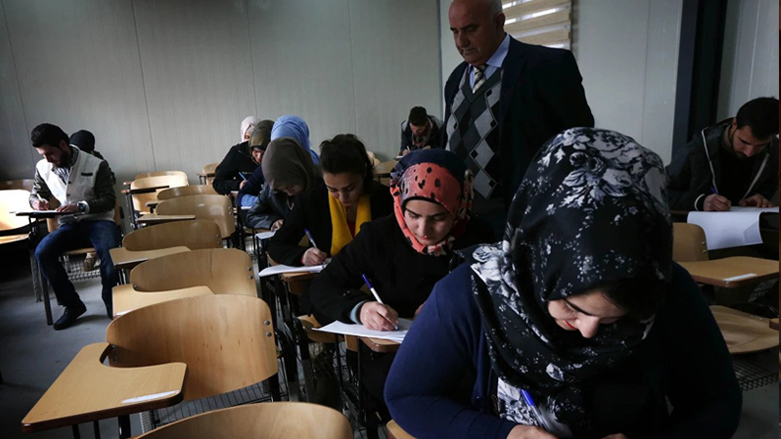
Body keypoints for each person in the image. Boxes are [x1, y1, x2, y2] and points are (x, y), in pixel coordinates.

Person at [385, 128, 742, 439]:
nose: (588, 331)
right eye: (572, 306)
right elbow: (407, 396)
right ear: (536, 262)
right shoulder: (473, 292)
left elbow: (718, 401)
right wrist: (503, 434)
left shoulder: (664, 288)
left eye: (614, 319)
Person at [309, 148, 493, 419]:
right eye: (413, 215)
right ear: (400, 203)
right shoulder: (378, 236)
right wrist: (361, 309)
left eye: (438, 218)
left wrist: (451, 308)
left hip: (466, 357)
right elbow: (322, 288)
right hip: (392, 356)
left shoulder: (482, 239)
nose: (422, 230)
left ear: (460, 205)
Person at [443, 0, 593, 236]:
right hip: (460, 221)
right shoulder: (455, 79)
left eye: (471, 29)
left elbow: (580, 145)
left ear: (499, 22)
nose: (461, 42)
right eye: (455, 31)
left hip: (521, 222)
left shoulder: (547, 67)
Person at [29, 123, 121, 330]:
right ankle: (72, 305)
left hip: (99, 221)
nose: (47, 159)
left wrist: (81, 206)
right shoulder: (42, 167)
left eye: (50, 153)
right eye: (42, 154)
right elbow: (36, 193)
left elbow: (108, 200)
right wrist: (36, 202)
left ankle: (111, 300)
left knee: (110, 250)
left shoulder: (96, 164)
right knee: (43, 252)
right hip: (69, 225)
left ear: (63, 144)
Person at [268, 134, 392, 266]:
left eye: (350, 188)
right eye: (333, 190)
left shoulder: (385, 199)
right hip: (330, 281)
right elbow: (277, 245)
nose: (342, 197)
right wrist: (303, 255)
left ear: (364, 173)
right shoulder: (311, 201)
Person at [666, 96, 779, 212]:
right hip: (695, 226)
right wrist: (700, 201)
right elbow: (658, 194)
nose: (749, 152)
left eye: (760, 146)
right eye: (743, 142)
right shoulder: (697, 149)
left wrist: (759, 197)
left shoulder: (774, 151)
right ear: (734, 124)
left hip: (743, 226)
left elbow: (768, 187)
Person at [238, 115, 319, 206]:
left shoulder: (318, 171)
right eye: (256, 151)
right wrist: (270, 210)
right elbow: (244, 197)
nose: (259, 157)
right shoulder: (271, 168)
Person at [244, 137, 320, 230]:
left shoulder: (322, 184)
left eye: (290, 186)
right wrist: (272, 221)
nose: (289, 193)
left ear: (300, 171)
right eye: (281, 190)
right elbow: (251, 216)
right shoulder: (271, 186)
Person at [68, 129, 115, 272]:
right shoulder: (68, 159)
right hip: (73, 211)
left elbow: (111, 179)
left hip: (96, 207)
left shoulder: (97, 160)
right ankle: (92, 253)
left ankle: (91, 254)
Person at [213, 118, 274, 197]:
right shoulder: (238, 152)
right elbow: (218, 183)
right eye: (256, 152)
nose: (259, 157)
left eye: (264, 153)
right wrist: (238, 184)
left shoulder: (277, 154)